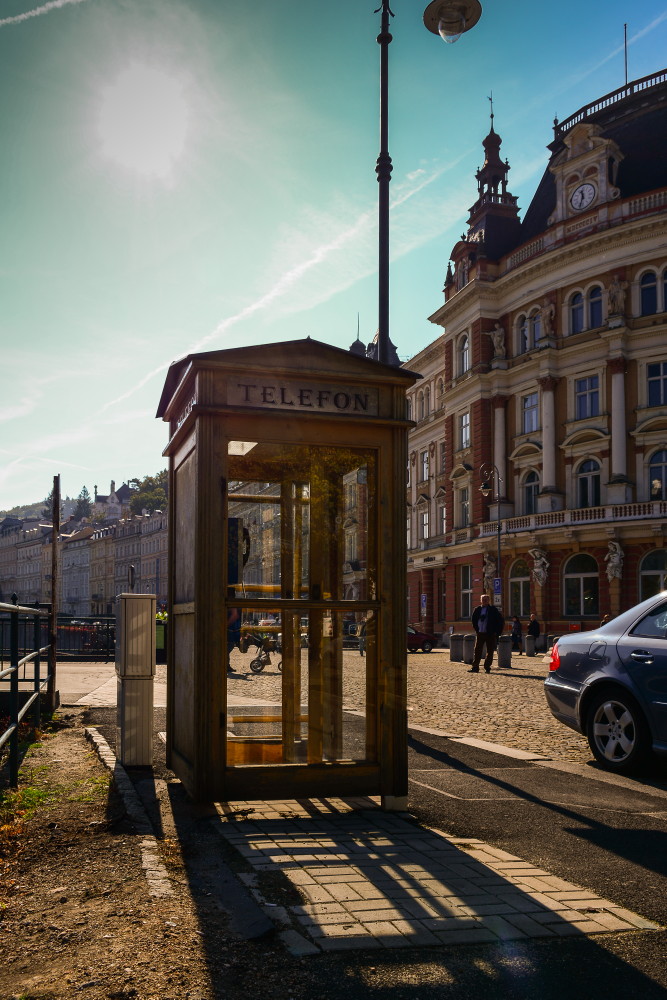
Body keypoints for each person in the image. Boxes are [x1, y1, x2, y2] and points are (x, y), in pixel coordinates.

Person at [470, 594, 505, 673]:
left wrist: (497, 632)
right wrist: (477, 629)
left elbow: (500, 621)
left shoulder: (493, 609)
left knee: (490, 651)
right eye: (483, 599)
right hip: (480, 633)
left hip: (490, 633)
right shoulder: (477, 609)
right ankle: (475, 667)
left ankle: (487, 667)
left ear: (488, 600)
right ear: (481, 600)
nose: (484, 601)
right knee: (477, 650)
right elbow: (473, 620)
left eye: (486, 599)